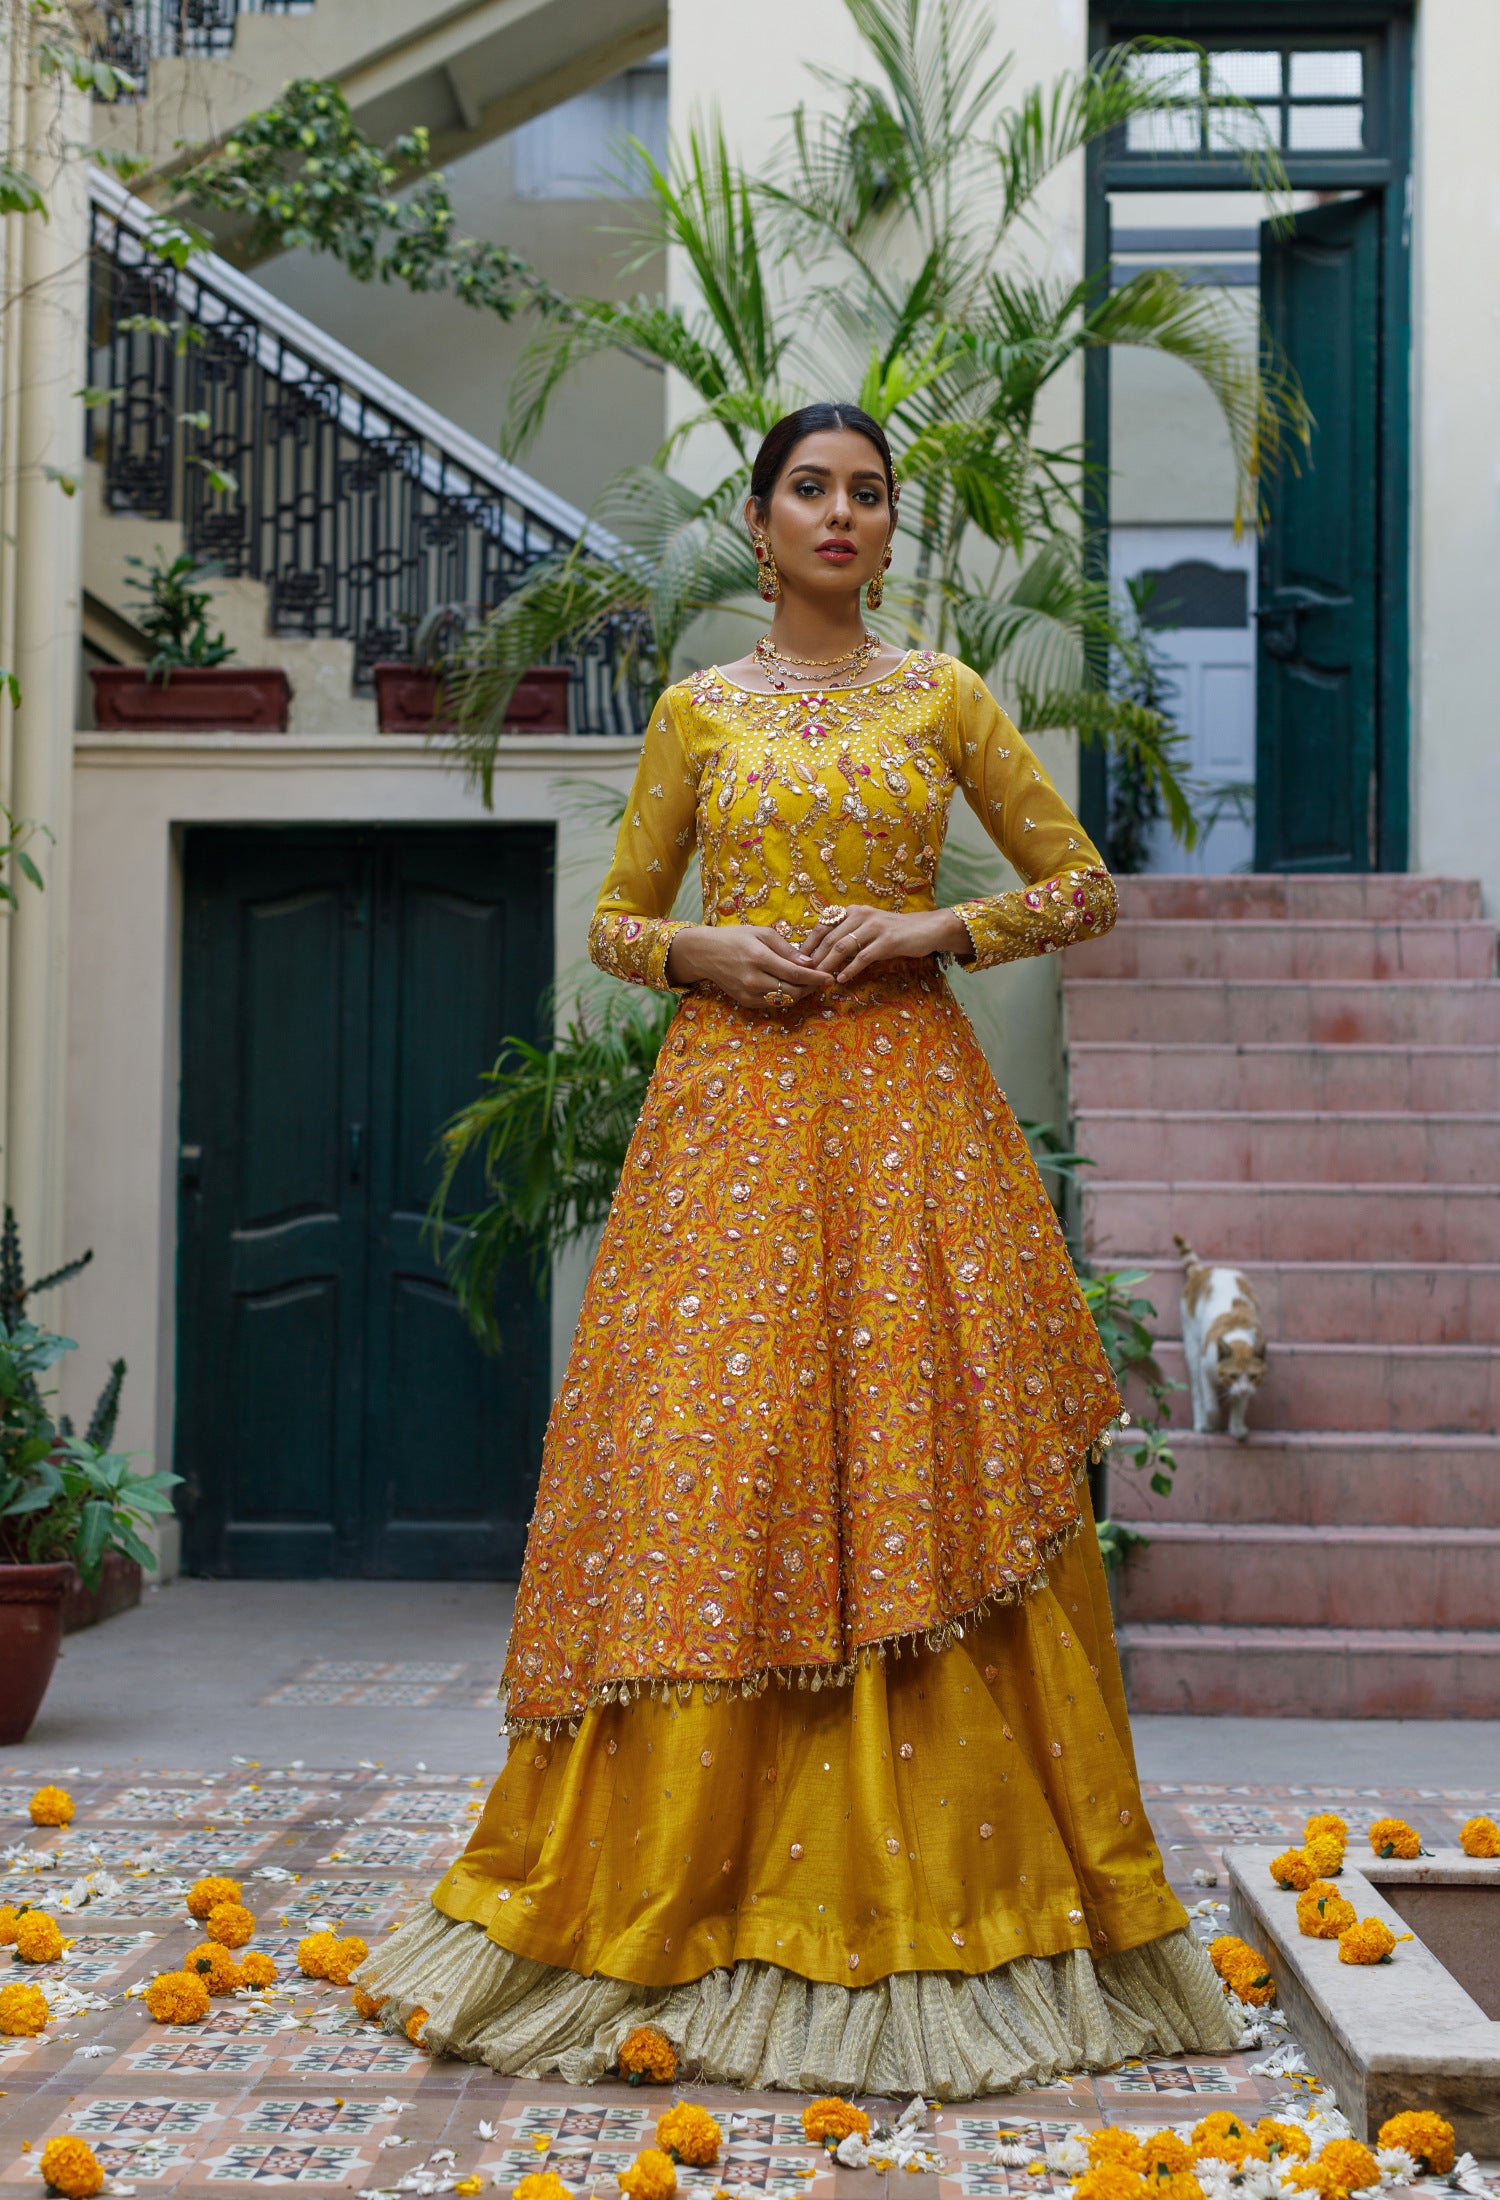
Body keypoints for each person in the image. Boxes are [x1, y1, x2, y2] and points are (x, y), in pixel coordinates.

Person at [361, 402, 1236, 2095]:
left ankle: (964, 1894)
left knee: (923, 1458)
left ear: (891, 532)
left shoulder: (943, 697)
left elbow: (1083, 887)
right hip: (733, 1136)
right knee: (718, 1472)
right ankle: (681, 1884)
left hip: (913, 1126)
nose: (842, 514)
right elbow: (619, 919)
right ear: (758, 524)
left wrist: (932, 927)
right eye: (811, 490)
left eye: (869, 495)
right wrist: (708, 953)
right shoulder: (700, 716)